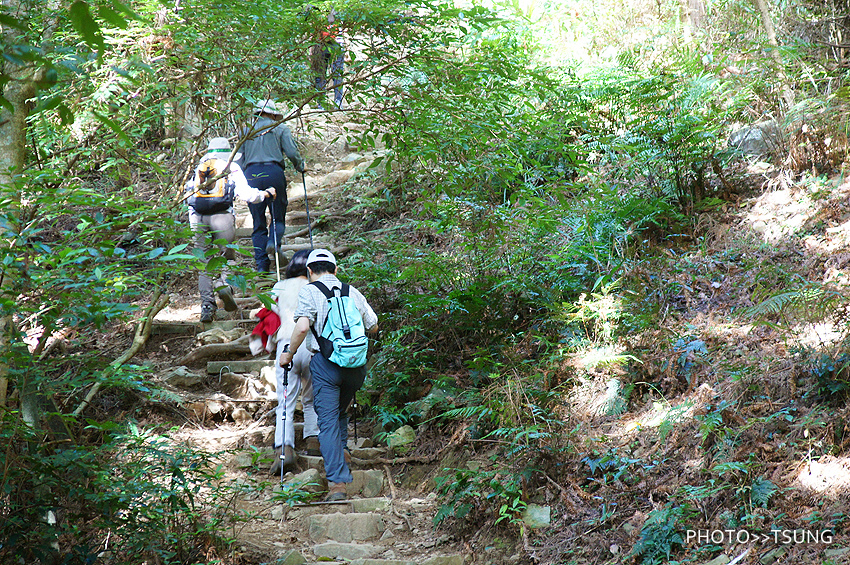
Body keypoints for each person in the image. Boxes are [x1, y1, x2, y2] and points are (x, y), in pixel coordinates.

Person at [278, 249, 378, 501]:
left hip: (326, 365)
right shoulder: (351, 291)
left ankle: (337, 485)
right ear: (336, 270)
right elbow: (373, 325)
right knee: (340, 410)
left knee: (328, 421)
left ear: (310, 271)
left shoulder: (309, 291)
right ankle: (342, 451)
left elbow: (301, 327)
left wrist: (288, 353)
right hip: (356, 368)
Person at [186, 137, 277, 323]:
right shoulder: (231, 166)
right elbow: (247, 194)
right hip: (222, 216)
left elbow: (190, 196)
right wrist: (266, 193)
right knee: (226, 257)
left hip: (198, 218)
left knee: (203, 263)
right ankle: (224, 286)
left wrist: (192, 223)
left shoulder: (199, 167)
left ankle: (207, 306)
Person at [237, 100, 305, 273]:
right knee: (277, 216)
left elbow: (240, 158)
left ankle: (261, 265)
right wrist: (300, 166)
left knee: (258, 221)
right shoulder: (280, 128)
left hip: (251, 174)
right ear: (273, 114)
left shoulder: (246, 131)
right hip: (274, 172)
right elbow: (291, 152)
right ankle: (273, 242)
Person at [270, 249, 320, 475]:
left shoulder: (279, 287)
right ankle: (314, 440)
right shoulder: (316, 288)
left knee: (285, 400)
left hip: (286, 346)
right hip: (312, 346)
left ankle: (284, 449)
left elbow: (271, 317)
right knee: (312, 397)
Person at [310, 8, 345, 110]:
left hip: (337, 43)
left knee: (337, 73)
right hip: (321, 44)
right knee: (320, 73)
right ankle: (321, 102)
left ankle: (338, 101)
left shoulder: (340, 8)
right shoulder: (317, 9)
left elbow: (344, 27)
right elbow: (313, 28)